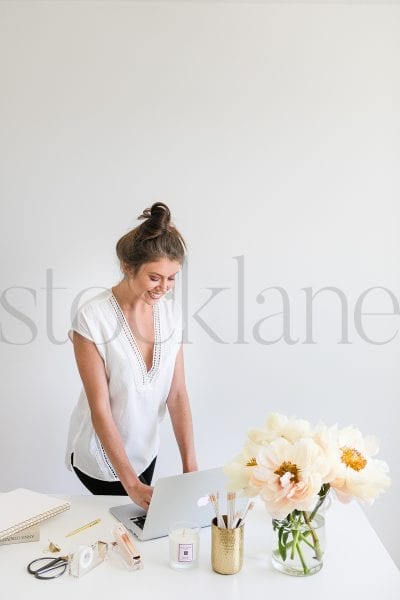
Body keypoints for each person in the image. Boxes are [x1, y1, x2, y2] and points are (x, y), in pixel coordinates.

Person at [65, 202, 198, 510]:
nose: (164, 288)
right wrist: (131, 484)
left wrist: (190, 467)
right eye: (155, 277)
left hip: (145, 453)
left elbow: (176, 395)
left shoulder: (172, 314)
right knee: (120, 539)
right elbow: (100, 408)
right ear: (128, 266)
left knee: (142, 537)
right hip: (102, 459)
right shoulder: (92, 318)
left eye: (172, 278)